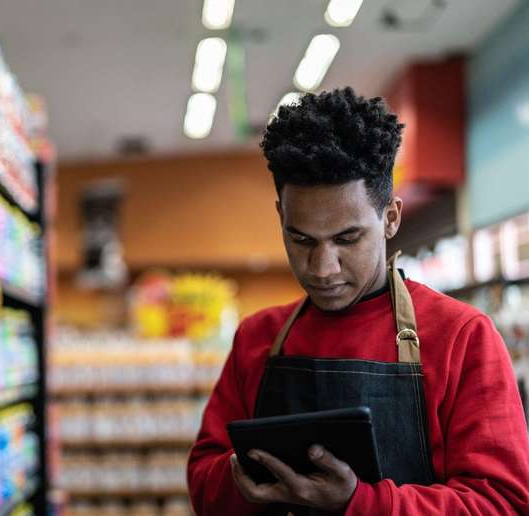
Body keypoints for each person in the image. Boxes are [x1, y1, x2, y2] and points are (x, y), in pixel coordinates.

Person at [187, 87, 529, 515]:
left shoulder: (462, 337)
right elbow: (203, 479)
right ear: (281, 218)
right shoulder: (257, 338)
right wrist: (247, 478)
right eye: (300, 239)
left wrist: (360, 502)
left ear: (390, 218)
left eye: (347, 239)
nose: (322, 267)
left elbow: (503, 504)